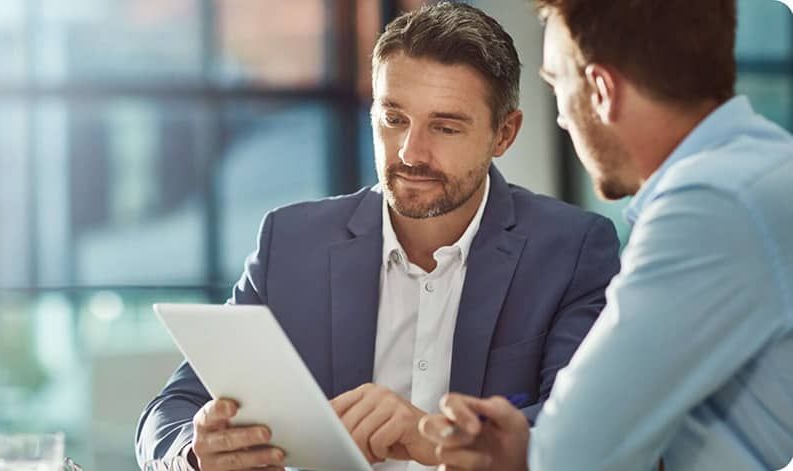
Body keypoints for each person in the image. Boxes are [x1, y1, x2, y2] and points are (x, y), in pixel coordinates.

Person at [136, 3, 621, 470]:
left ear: (504, 134)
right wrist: (196, 453)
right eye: (393, 119)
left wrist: (432, 437)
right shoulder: (291, 242)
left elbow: (584, 433)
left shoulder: (573, 250)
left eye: (445, 127)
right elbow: (171, 411)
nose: (411, 152)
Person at [418, 1, 793, 470]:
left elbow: (571, 455)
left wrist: (534, 449)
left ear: (600, 90)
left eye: (557, 84)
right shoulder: (762, 169)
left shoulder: (710, 201)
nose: (560, 118)